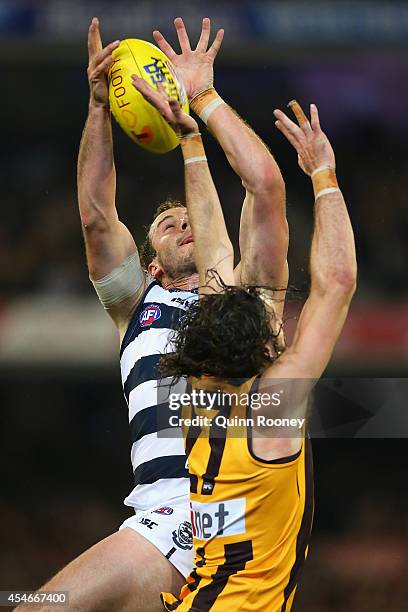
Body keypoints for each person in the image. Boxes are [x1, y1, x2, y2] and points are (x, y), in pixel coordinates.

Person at [17, 16, 288, 612]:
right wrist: (97, 109)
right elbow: (94, 216)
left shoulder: (245, 293)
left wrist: (203, 105)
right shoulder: (138, 303)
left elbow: (265, 188)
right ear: (152, 263)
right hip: (165, 508)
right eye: (168, 224)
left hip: (227, 507)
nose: (185, 222)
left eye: (191, 216)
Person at [131, 77, 356, 610]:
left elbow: (218, 254)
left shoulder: (194, 400)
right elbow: (337, 280)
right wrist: (324, 176)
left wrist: (191, 141)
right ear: (265, 350)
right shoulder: (272, 405)